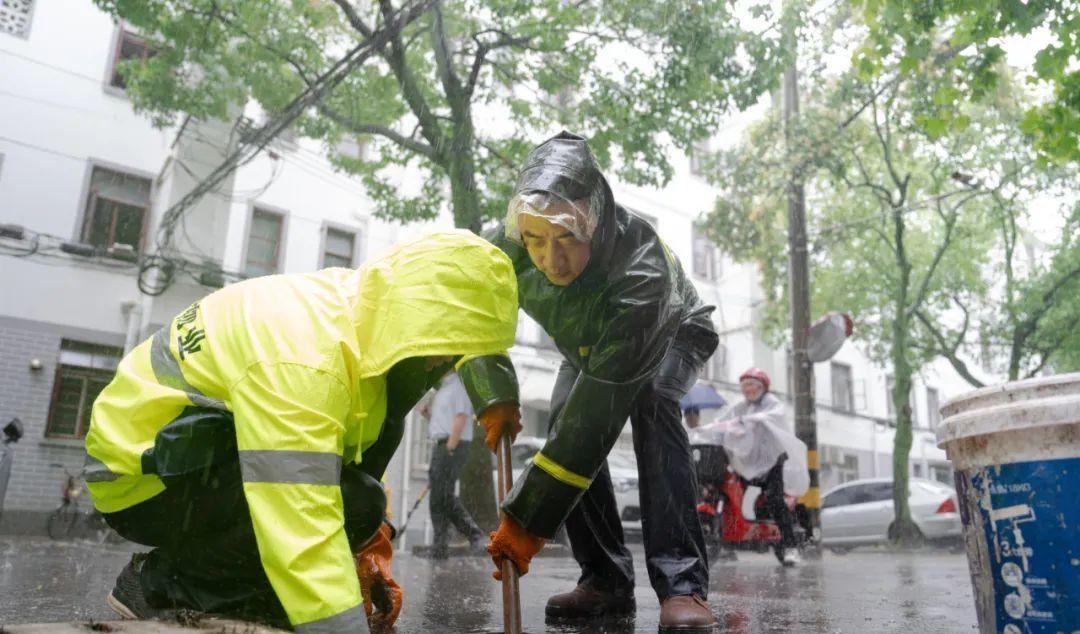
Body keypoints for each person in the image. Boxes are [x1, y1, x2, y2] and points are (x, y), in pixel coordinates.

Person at [84, 230, 520, 633]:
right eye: (445, 347)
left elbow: (344, 471)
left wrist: (366, 552)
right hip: (139, 477)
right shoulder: (307, 360)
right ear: (418, 320)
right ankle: (162, 582)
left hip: (185, 456)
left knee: (360, 504)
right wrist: (341, 623)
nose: (441, 363)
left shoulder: (364, 318)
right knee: (340, 519)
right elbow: (300, 522)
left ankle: (221, 582)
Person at [467, 131, 720, 631]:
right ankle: (605, 580)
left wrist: (528, 517)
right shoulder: (507, 246)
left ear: (595, 222)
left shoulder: (640, 269)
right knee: (564, 416)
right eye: (537, 242)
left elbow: (597, 414)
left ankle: (683, 583)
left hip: (669, 328)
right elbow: (472, 315)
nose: (551, 260)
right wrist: (492, 392)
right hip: (586, 347)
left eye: (567, 241)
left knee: (649, 402)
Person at [695, 368, 809, 566]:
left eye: (752, 385)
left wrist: (749, 421)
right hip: (746, 461)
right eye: (745, 386)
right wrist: (707, 430)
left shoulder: (772, 403)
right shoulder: (741, 406)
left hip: (772, 460)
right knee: (727, 490)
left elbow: (773, 416)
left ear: (763, 387)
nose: (748, 390)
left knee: (774, 498)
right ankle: (726, 538)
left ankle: (790, 547)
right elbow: (723, 421)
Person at [422, 371, 485, 558]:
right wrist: (428, 415)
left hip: (452, 445)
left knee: (444, 495)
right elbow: (444, 420)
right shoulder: (443, 389)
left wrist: (450, 446)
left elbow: (461, 417)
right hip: (442, 444)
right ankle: (439, 547)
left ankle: (474, 533)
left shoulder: (459, 386)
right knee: (437, 498)